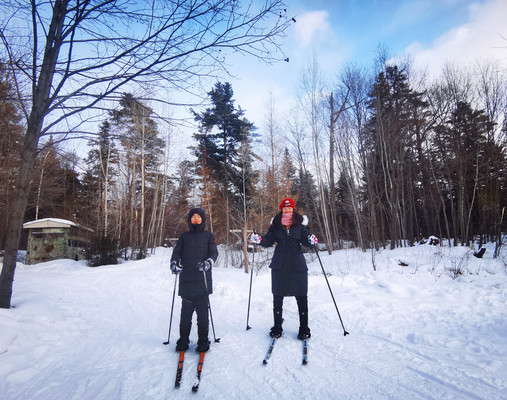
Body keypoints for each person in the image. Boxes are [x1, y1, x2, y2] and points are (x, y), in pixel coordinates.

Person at [250, 198, 318, 340]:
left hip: (297, 264)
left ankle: (304, 328)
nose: (288, 210)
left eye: (290, 208)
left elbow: (306, 241)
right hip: (279, 265)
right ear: (282, 210)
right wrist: (259, 239)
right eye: (285, 208)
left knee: (301, 297)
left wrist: (312, 241)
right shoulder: (275, 226)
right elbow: (268, 241)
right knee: (277, 297)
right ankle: (277, 328)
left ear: (293, 209)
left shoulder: (300, 226)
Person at [170, 207, 218, 353]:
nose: (196, 218)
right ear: (189, 220)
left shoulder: (209, 236)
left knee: (203, 314)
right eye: (193, 216)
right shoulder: (184, 237)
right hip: (187, 280)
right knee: (186, 314)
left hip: (203, 280)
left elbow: (214, 252)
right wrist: (174, 263)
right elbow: (176, 253)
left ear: (203, 219)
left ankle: (203, 341)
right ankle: (183, 340)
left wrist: (209, 262)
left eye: (199, 216)